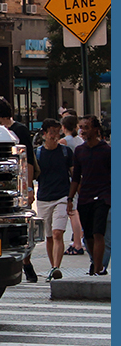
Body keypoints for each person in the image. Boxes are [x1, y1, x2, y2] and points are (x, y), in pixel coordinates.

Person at [0, 98, 38, 281]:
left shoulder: (20, 130)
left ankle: (26, 263)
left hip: (19, 183)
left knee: (23, 224)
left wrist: (29, 187)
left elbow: (29, 160)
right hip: (2, 185)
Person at [67, 115, 110, 275]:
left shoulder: (106, 151)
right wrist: (70, 198)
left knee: (99, 232)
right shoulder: (79, 151)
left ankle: (98, 268)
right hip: (85, 197)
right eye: (81, 127)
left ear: (95, 129)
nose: (82, 131)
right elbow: (76, 177)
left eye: (86, 127)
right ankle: (95, 262)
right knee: (89, 236)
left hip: (103, 196)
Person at [34, 119, 71, 280]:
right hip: (43, 198)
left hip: (62, 196)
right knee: (49, 236)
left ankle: (56, 266)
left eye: (58, 132)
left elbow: (73, 173)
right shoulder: (38, 154)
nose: (55, 136)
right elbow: (32, 175)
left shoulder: (65, 152)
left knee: (57, 233)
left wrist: (73, 196)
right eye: (52, 132)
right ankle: (52, 267)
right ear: (44, 134)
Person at [60, 114, 85, 255]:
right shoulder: (79, 140)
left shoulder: (64, 142)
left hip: (71, 179)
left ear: (63, 127)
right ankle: (80, 239)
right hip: (83, 177)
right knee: (78, 210)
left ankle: (77, 243)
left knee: (72, 211)